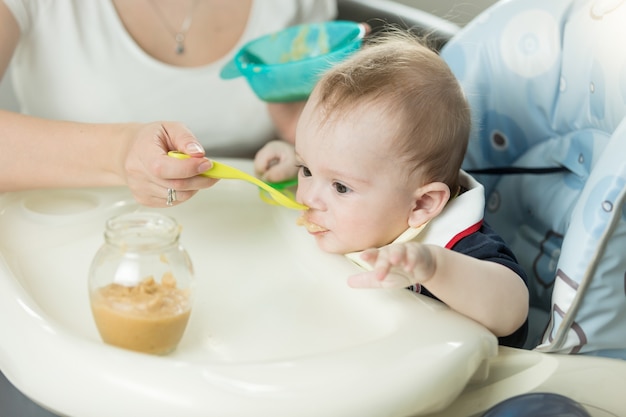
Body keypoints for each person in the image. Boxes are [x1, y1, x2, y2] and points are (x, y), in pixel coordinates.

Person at [254, 31, 530, 347]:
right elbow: (333, 172)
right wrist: (288, 163)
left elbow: (512, 311)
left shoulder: (457, 248)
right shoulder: (357, 201)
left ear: (422, 206)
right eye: (306, 169)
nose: (308, 197)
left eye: (340, 187)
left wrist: (434, 268)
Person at [0, 0, 336, 206]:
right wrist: (119, 152)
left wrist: (308, 144)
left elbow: (321, 154)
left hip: (254, 247)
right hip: (49, 239)